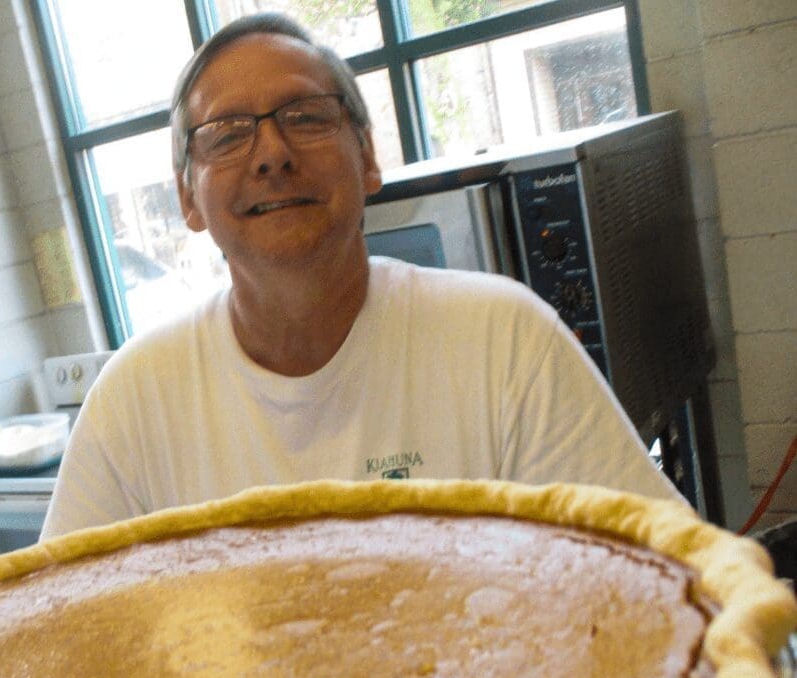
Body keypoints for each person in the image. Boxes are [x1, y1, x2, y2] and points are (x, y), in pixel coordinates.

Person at [40, 12, 680, 539]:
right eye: (227, 134)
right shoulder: (134, 401)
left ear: (368, 158)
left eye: (306, 116)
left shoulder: (504, 340)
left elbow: (669, 576)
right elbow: (58, 636)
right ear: (187, 199)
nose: (272, 155)